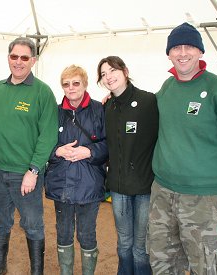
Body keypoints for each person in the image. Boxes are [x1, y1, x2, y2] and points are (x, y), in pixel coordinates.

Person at [148, 22, 217, 274]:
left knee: (209, 267)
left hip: (204, 200)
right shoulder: (167, 88)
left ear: (200, 51)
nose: (182, 53)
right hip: (163, 194)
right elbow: (146, 114)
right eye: (176, 47)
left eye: (189, 46)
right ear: (169, 53)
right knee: (162, 263)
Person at [0, 37, 58, 275]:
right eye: (14, 56)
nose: (18, 62)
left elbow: (47, 136)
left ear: (33, 61)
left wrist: (34, 170)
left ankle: (37, 271)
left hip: (25, 174)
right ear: (8, 58)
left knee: (33, 225)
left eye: (24, 57)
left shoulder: (42, 92)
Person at [97, 56, 158, 275]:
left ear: (125, 71)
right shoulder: (107, 107)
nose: (108, 77)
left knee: (140, 247)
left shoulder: (149, 102)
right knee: (124, 244)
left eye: (112, 70)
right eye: (103, 74)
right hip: (119, 187)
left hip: (144, 188)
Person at [45, 65, 108, 275]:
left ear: (85, 84)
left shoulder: (100, 110)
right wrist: (57, 151)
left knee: (87, 234)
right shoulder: (54, 112)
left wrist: (89, 152)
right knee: (63, 233)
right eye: (66, 84)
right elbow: (42, 145)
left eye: (75, 83)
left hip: (89, 185)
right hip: (61, 185)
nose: (70, 88)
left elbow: (112, 145)